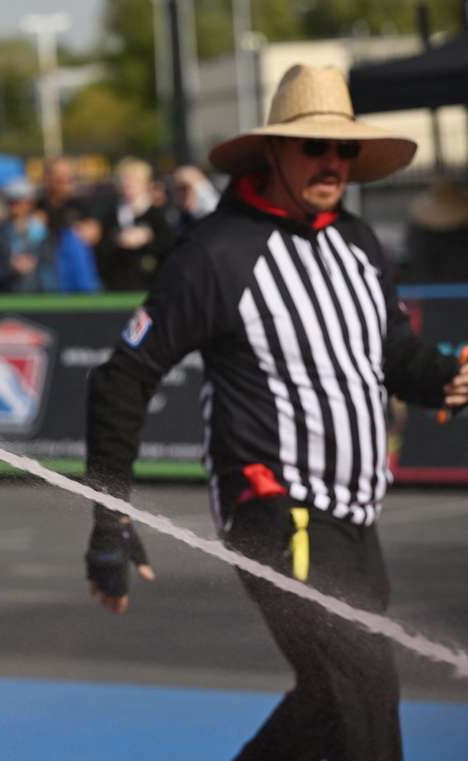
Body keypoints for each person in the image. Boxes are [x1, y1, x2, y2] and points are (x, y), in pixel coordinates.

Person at [81, 64, 468, 761]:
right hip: (274, 509)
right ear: (273, 150)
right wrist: (110, 514)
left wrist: (444, 378)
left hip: (354, 516)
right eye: (314, 146)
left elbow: (392, 354)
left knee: (330, 695)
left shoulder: (358, 241)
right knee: (363, 681)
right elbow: (122, 377)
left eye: (344, 149)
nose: (332, 162)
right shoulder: (216, 253)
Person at [94, 157, 173, 291]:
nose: (128, 185)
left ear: (146, 184)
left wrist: (148, 239)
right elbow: (101, 250)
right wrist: (118, 240)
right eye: (123, 180)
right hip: (119, 287)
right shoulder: (110, 214)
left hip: (153, 286)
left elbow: (169, 246)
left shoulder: (159, 213)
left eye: (134, 181)